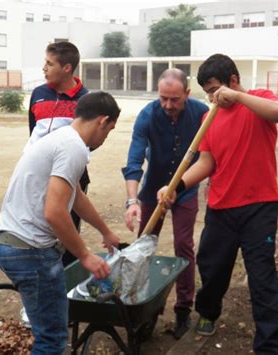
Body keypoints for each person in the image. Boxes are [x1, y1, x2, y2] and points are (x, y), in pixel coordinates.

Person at [158, 54, 278, 353]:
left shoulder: (258, 99)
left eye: (215, 89)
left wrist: (239, 96)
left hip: (259, 207)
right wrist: (176, 186)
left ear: (233, 80)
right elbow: (207, 162)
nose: (212, 97)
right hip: (221, 207)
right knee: (211, 266)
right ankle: (208, 311)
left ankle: (270, 346)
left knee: (261, 276)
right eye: (207, 92)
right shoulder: (209, 117)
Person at [0, 92, 121, 354]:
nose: (105, 138)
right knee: (51, 340)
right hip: (30, 252)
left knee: (46, 333)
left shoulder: (61, 138)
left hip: (13, 244)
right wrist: (85, 255)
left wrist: (105, 231)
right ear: (102, 121)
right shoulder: (73, 147)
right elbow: (54, 212)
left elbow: (76, 198)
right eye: (109, 131)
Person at [122, 68, 209, 339]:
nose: (168, 105)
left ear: (187, 93)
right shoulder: (147, 115)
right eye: (163, 99)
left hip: (185, 190)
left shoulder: (201, 113)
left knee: (184, 246)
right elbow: (135, 160)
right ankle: (141, 308)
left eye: (174, 99)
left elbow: (212, 154)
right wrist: (132, 200)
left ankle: (183, 309)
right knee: (144, 245)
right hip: (152, 192)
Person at [27, 41, 89, 266]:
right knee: (38, 234)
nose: (44, 68)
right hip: (37, 178)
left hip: (70, 176)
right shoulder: (38, 94)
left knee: (67, 235)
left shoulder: (86, 100)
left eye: (49, 63)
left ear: (67, 68)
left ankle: (68, 292)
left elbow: (90, 140)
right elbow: (33, 131)